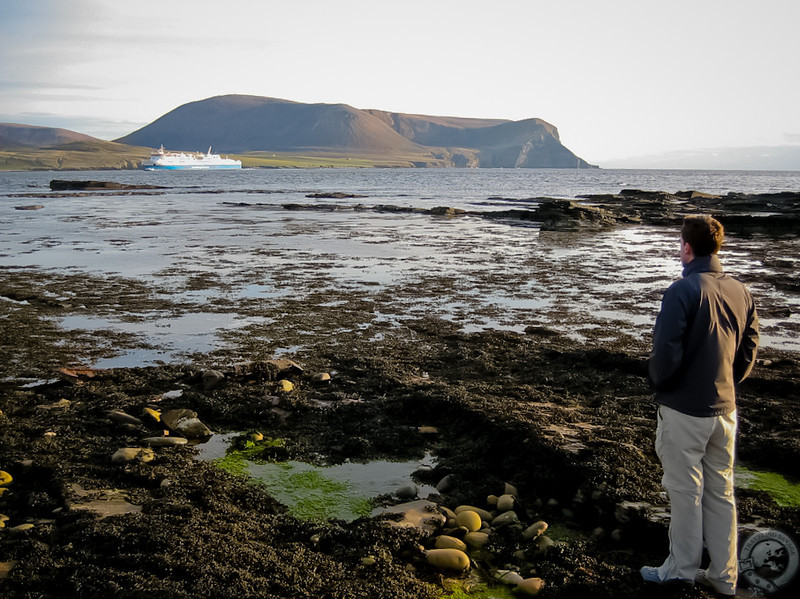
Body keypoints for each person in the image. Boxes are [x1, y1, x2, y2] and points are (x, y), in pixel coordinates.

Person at [641, 215, 759, 596]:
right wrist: (728, 384)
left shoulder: (682, 290)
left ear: (686, 248)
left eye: (680, 244)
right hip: (725, 410)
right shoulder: (741, 291)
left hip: (684, 410)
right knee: (721, 492)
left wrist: (664, 385)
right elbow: (749, 349)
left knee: (684, 491)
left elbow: (665, 352)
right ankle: (725, 577)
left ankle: (680, 572)